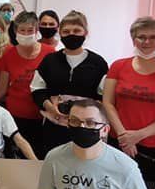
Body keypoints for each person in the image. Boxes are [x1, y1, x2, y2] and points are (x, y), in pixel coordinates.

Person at [103, 17, 155, 183]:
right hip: (119, 139)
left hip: (154, 145)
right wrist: (124, 136)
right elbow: (108, 103)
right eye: (141, 37)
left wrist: (138, 135)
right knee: (112, 187)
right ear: (133, 39)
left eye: (153, 37)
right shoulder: (118, 66)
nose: (146, 42)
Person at [31, 10, 110, 152]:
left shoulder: (98, 63)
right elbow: (37, 90)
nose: (71, 35)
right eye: (66, 31)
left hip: (85, 128)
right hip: (54, 126)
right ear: (60, 33)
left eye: (76, 31)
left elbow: (104, 96)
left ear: (85, 33)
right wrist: (50, 107)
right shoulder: (49, 61)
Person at [0, 11, 53, 157]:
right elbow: (1, 89)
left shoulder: (50, 53)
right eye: (22, 30)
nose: (26, 34)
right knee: (16, 159)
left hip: (42, 117)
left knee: (39, 158)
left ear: (37, 30)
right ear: (15, 31)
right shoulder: (9, 54)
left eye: (30, 30)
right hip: (15, 117)